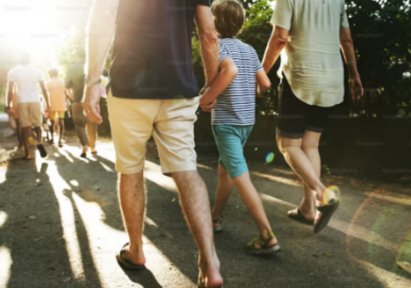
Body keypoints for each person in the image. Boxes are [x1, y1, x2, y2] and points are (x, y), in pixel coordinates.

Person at [82, 0, 222, 287]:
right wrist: (211, 82)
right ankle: (210, 261)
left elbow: (104, 15)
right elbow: (209, 32)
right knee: (186, 170)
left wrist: (93, 81)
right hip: (179, 87)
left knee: (130, 169)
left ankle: (136, 251)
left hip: (129, 86)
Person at [262, 0, 364, 233]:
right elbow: (346, 39)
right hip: (331, 79)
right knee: (310, 145)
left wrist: (261, 72)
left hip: (300, 77)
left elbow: (279, 38)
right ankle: (308, 209)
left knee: (287, 144)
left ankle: (322, 195)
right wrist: (354, 75)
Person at [199, 0, 279, 255]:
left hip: (227, 123)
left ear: (214, 22)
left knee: (240, 176)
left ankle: (266, 236)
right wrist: (251, 92)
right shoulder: (250, 50)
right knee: (226, 171)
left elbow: (228, 73)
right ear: (241, 24)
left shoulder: (218, 47)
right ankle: (215, 217)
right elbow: (265, 83)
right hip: (246, 122)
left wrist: (207, 97)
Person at [5, 53, 49, 160]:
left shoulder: (13, 71)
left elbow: (10, 91)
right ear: (30, 59)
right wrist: (48, 104)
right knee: (37, 125)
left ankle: (28, 153)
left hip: (22, 100)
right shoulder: (37, 70)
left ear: (18, 58)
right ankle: (38, 143)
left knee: (25, 127)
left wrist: (8, 105)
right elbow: (44, 89)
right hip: (35, 100)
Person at [65, 52, 98, 157]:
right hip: (93, 100)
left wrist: (70, 95)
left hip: (78, 100)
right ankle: (92, 148)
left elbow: (66, 86)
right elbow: (107, 74)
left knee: (79, 124)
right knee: (92, 123)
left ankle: (84, 145)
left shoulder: (72, 69)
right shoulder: (94, 66)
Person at [46, 69, 67, 147]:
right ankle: (60, 140)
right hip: (61, 104)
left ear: (51, 74)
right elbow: (66, 92)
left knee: (52, 122)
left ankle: (52, 138)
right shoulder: (62, 82)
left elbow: (46, 92)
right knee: (61, 122)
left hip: (52, 104)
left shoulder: (48, 83)